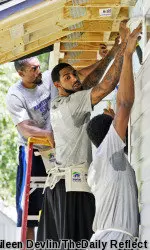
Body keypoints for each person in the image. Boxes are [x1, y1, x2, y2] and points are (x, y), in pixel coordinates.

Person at [6, 50, 119, 240]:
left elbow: (86, 76)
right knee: (29, 212)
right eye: (33, 69)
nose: (38, 71)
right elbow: (24, 128)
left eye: (38, 67)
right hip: (38, 152)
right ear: (21, 73)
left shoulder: (50, 82)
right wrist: (123, 50)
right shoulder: (16, 95)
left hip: (59, 168)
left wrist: (109, 56)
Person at [37, 20, 130, 246]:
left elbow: (90, 80)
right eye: (67, 77)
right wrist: (126, 48)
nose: (74, 79)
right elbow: (105, 85)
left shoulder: (59, 103)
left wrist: (115, 49)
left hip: (58, 188)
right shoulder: (71, 106)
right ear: (58, 85)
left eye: (73, 74)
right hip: (73, 189)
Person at [86, 23, 142, 248]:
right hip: (112, 241)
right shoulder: (109, 154)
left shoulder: (104, 161)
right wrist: (127, 55)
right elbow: (125, 105)